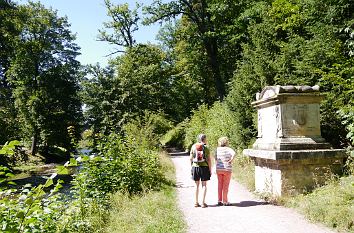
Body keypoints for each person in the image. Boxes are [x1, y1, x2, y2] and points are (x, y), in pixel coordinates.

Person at [190, 134, 211, 208]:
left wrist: (192, 166)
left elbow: (191, 158)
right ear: (204, 139)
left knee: (196, 185)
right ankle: (203, 203)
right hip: (204, 167)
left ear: (198, 139)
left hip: (195, 167)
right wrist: (210, 169)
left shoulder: (193, 146)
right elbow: (208, 160)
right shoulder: (206, 147)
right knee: (204, 185)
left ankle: (196, 202)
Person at [215, 136, 235, 206]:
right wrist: (231, 160)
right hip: (227, 169)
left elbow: (216, 159)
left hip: (219, 169)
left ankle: (219, 200)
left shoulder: (217, 149)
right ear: (226, 142)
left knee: (220, 185)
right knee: (225, 186)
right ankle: (225, 201)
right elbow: (234, 153)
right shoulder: (229, 149)